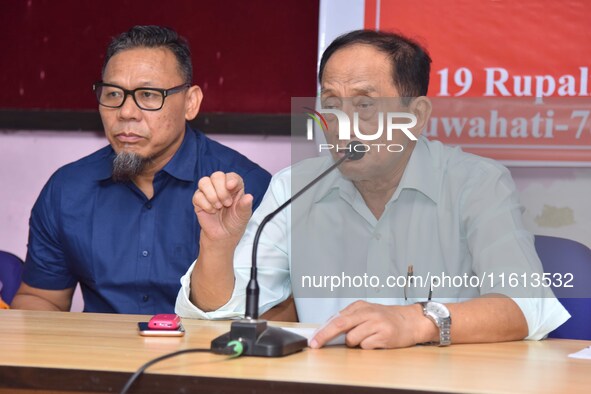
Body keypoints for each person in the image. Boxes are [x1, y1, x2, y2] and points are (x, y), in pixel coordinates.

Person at [175, 30, 570, 349]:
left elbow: (525, 307)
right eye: (330, 103)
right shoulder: (294, 187)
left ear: (415, 116)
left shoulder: (477, 183)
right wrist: (217, 247)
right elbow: (215, 315)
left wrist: (417, 320)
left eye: (365, 105)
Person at [11, 25, 271, 314]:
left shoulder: (245, 190)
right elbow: (41, 297)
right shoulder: (67, 190)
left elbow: (276, 314)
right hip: (97, 355)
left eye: (148, 95)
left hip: (205, 355)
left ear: (190, 103)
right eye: (112, 94)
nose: (125, 112)